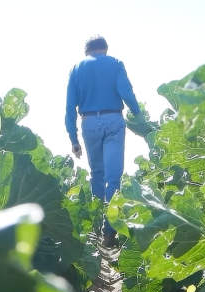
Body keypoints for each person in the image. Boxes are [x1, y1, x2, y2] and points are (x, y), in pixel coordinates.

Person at [65, 34, 141, 248]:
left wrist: (73, 138)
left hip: (89, 123)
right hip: (113, 120)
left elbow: (70, 106)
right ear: (105, 49)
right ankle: (109, 233)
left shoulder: (77, 68)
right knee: (113, 178)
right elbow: (125, 91)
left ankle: (96, 229)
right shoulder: (116, 63)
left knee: (97, 174)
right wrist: (137, 113)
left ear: (86, 51)